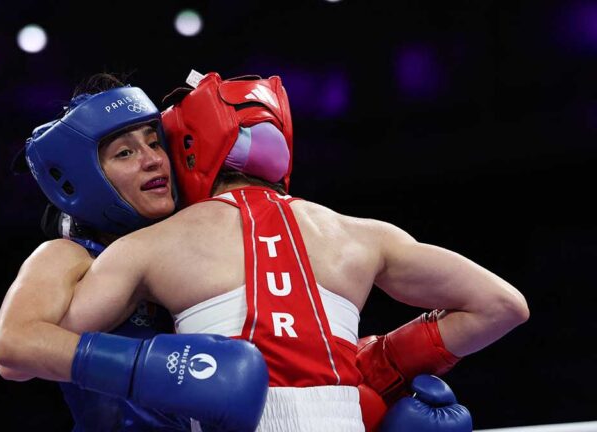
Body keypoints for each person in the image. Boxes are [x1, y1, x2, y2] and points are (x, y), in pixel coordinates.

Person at [49, 71, 528, 431]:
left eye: (157, 146)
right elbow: (504, 306)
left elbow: (49, 347)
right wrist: (382, 362)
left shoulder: (149, 245)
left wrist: (157, 375)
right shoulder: (362, 233)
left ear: (186, 151)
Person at [0, 73, 269, 431]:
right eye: (125, 152)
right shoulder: (70, 256)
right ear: (85, 176)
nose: (153, 160)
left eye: (155, 144)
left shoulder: (199, 249)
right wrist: (152, 368)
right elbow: (12, 348)